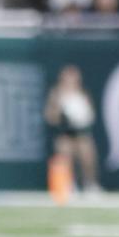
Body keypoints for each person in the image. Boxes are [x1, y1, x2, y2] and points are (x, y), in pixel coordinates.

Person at [43, 65, 101, 193]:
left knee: (87, 153)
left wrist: (81, 117)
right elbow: (49, 116)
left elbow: (91, 114)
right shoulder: (56, 93)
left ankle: (90, 184)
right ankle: (69, 184)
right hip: (64, 132)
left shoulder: (83, 93)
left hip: (81, 132)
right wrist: (61, 113)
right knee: (64, 152)